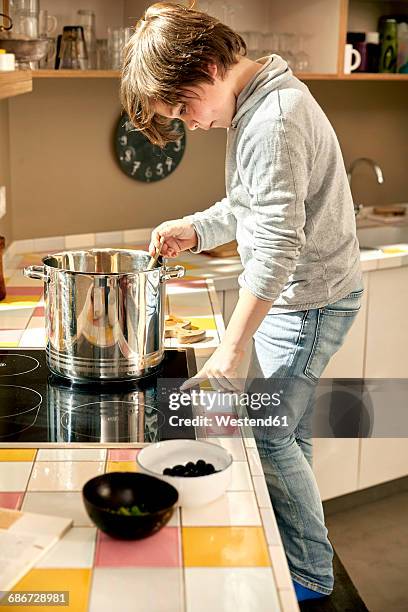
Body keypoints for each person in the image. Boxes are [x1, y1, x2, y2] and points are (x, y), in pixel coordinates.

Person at [121, 2, 364, 601]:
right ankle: (296, 547)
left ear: (206, 66)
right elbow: (253, 206)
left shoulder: (275, 120)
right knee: (290, 431)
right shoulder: (260, 107)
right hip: (300, 297)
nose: (189, 124)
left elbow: (280, 245)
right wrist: (195, 228)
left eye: (181, 106)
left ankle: (309, 573)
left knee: (268, 432)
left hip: (310, 302)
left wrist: (231, 351)